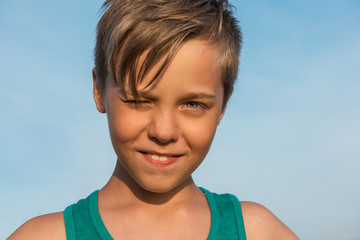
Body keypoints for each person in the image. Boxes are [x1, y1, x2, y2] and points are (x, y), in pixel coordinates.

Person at [8, 0, 299, 239]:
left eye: (193, 104)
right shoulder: (43, 236)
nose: (164, 131)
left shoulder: (257, 231)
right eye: (138, 101)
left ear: (223, 104)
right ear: (99, 90)